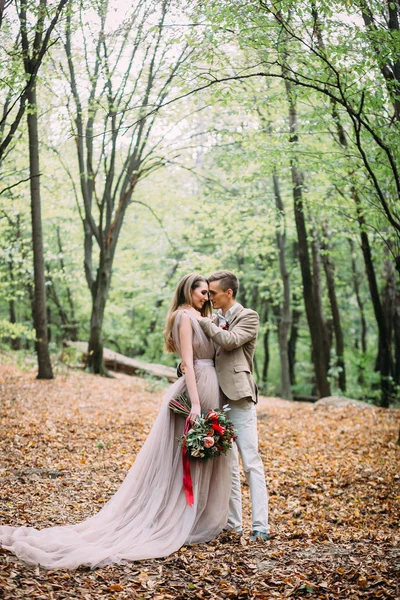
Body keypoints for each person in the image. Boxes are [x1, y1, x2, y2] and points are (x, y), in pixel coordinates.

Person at [0, 273, 233, 569]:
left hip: (212, 383)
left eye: (209, 294)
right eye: (202, 292)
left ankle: (198, 515)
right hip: (197, 386)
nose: (207, 298)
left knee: (204, 452)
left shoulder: (204, 317)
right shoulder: (183, 317)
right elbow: (187, 362)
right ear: (189, 291)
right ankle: (176, 516)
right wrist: (196, 404)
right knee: (186, 454)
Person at [195, 270, 269, 541]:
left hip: (239, 396)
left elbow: (230, 341)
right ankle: (233, 524)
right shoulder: (215, 319)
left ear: (229, 293)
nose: (209, 297)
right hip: (217, 397)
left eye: (213, 293)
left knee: (251, 462)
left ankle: (261, 526)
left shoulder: (249, 316)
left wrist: (204, 323)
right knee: (228, 466)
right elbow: (207, 354)